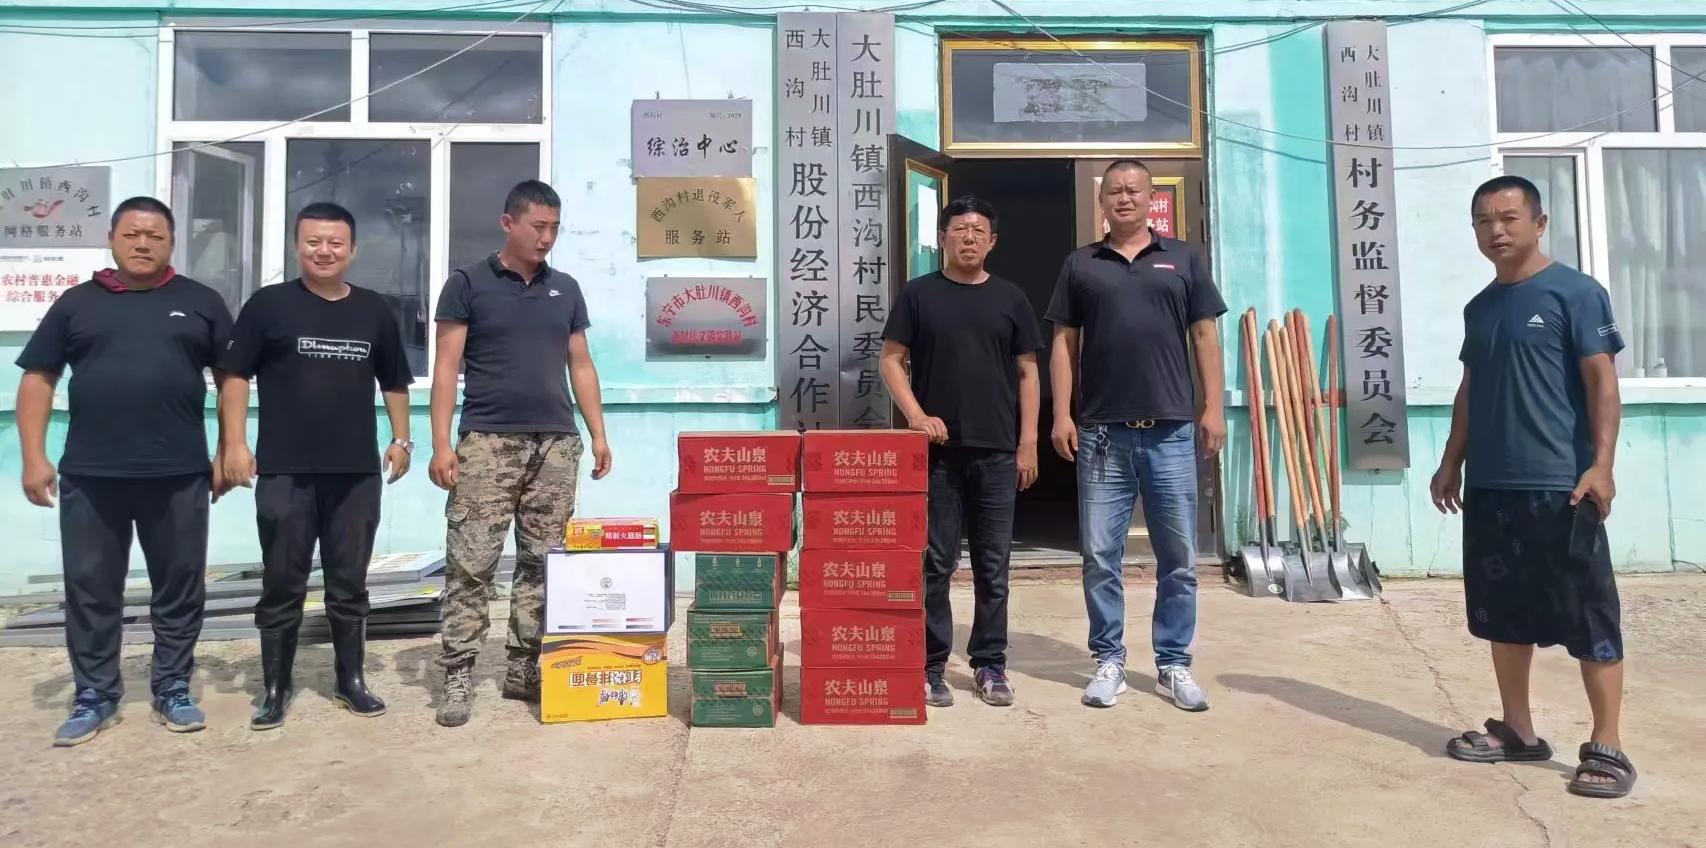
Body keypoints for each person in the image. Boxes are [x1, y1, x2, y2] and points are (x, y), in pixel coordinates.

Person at [1433, 175, 1634, 799]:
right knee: (1503, 613)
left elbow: (1603, 384)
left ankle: (1608, 745)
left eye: (1509, 218)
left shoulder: (1577, 293)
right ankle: (1518, 730)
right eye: (1484, 221)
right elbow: (1471, 389)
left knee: (1590, 616)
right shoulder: (1480, 307)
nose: (1496, 230)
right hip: (1492, 486)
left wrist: (1602, 466)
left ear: (1539, 224)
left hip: (1562, 487)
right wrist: (1451, 461)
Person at [15, 196, 234, 746]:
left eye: (155, 235)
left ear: (172, 243)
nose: (143, 243)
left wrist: (231, 447)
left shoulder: (201, 302)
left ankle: (172, 686)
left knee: (179, 586)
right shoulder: (76, 304)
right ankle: (94, 693)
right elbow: (38, 378)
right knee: (91, 588)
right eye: (132, 233)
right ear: (111, 239)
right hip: (92, 475)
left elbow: (232, 378)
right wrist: (34, 457)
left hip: (179, 473)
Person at [216, 202, 415, 730]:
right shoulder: (268, 306)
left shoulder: (374, 311)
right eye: (313, 242)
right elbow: (233, 377)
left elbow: (395, 381)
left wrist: (402, 440)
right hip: (285, 471)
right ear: (296, 246)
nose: (324, 251)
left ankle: (351, 681)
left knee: (349, 583)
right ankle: (275, 688)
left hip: (355, 474)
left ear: (352, 249)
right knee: (283, 580)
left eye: (335, 243)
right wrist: (234, 444)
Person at [428, 179, 612, 727]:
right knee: (472, 563)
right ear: (509, 223)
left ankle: (524, 666)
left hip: (555, 443)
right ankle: (458, 671)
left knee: (543, 561)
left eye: (554, 228)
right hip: (488, 443)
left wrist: (598, 434)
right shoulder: (467, 284)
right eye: (538, 226)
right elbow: (445, 368)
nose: (546, 237)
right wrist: (442, 444)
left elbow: (580, 364)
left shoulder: (566, 289)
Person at [1045, 160, 1226, 712]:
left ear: (1151, 198)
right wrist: (1062, 415)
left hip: (1171, 431)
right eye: (1114, 191)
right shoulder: (1081, 264)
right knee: (1100, 554)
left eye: (1133, 190)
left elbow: (1205, 336)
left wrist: (1213, 407)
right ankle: (1109, 660)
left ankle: (1173, 664)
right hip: (1103, 433)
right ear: (1102, 201)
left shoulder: (1184, 259)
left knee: (1179, 557)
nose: (1124, 198)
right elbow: (1063, 344)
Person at [879, 196, 1043, 709]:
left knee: (994, 566)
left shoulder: (1011, 298)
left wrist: (1028, 441)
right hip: (938, 453)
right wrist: (915, 414)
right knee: (936, 563)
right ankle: (930, 665)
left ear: (992, 241)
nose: (968, 238)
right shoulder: (919, 295)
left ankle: (990, 663)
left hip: (997, 452)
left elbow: (1028, 372)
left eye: (978, 231)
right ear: (942, 238)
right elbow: (890, 360)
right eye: (959, 229)